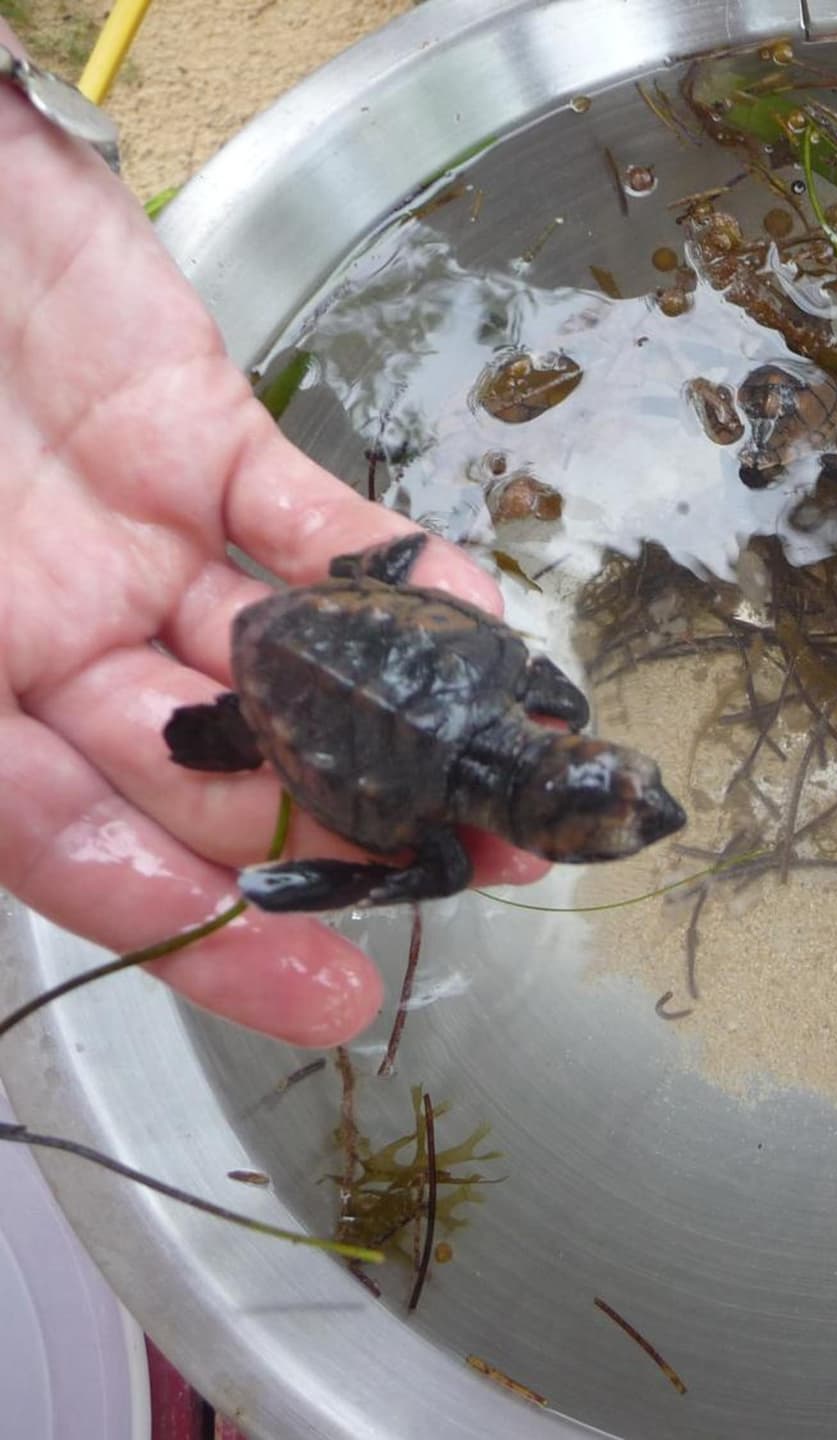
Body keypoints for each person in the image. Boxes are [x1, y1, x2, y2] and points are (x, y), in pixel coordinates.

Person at [1, 29, 548, 1047]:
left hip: (344, 663)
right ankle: (242, 735)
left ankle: (259, 723)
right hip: (301, 704)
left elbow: (487, 675)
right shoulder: (463, 808)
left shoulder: (503, 707)